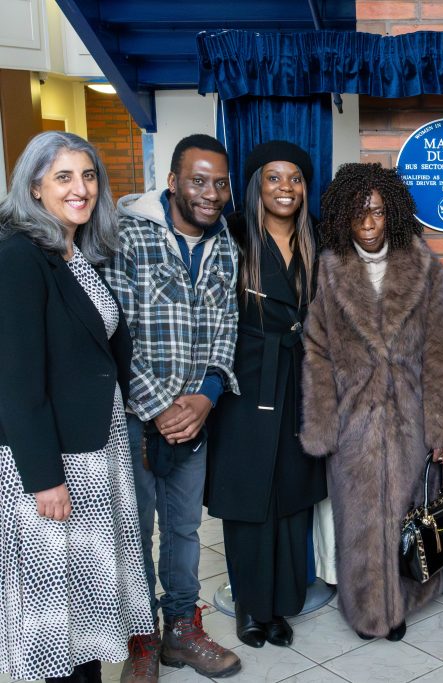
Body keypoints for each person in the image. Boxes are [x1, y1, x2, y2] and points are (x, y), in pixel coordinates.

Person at [0, 131, 152, 683]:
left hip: (96, 451)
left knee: (83, 602)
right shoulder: (19, 257)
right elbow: (16, 384)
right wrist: (44, 480)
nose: (80, 188)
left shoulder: (74, 252)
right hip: (53, 463)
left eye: (88, 176)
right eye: (63, 177)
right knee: (52, 614)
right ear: (34, 187)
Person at [300, 162, 443, 641]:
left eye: (376, 211)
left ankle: (402, 601)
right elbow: (316, 351)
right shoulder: (329, 270)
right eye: (358, 213)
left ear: (391, 212)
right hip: (352, 422)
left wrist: (441, 428)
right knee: (359, 519)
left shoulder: (425, 268)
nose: (368, 223)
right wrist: (323, 423)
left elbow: (441, 352)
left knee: (405, 514)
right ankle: (368, 611)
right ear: (342, 218)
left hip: (410, 418)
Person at [104, 134, 241, 681]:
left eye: (220, 183)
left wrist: (207, 397)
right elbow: (115, 331)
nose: (211, 193)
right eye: (198, 181)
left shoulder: (225, 243)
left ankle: (181, 630)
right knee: (135, 531)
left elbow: (227, 326)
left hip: (194, 420)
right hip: (134, 420)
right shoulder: (127, 236)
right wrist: (160, 408)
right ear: (173, 182)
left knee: (185, 530)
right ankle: (141, 639)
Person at [206, 141, 327, 648]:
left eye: (295, 178)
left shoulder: (317, 237)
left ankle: (282, 604)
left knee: (292, 495)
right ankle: (251, 607)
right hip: (246, 379)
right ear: (257, 184)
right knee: (249, 495)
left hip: (301, 379)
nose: (286, 188)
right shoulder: (231, 236)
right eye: (274, 178)